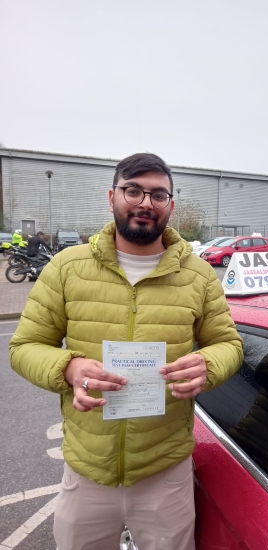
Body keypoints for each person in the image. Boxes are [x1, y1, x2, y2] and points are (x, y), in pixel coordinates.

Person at [9, 152, 243, 550]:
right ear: (112, 197)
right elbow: (24, 347)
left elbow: (229, 344)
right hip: (87, 471)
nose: (145, 203)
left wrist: (209, 364)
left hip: (165, 474)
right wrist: (69, 367)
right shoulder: (67, 268)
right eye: (132, 190)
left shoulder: (199, 275)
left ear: (170, 205)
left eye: (158, 194)